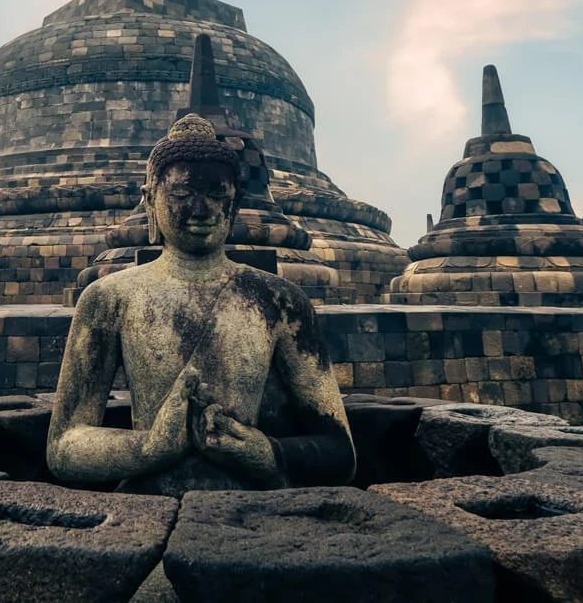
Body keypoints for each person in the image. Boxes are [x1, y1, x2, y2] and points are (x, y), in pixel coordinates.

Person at [46, 114, 354, 496]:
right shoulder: (108, 299)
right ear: (150, 201)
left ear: (235, 204)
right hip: (145, 507)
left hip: (251, 510)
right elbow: (63, 447)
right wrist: (149, 447)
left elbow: (340, 453)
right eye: (180, 194)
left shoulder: (281, 301)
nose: (201, 210)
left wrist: (268, 453)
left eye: (217, 195)